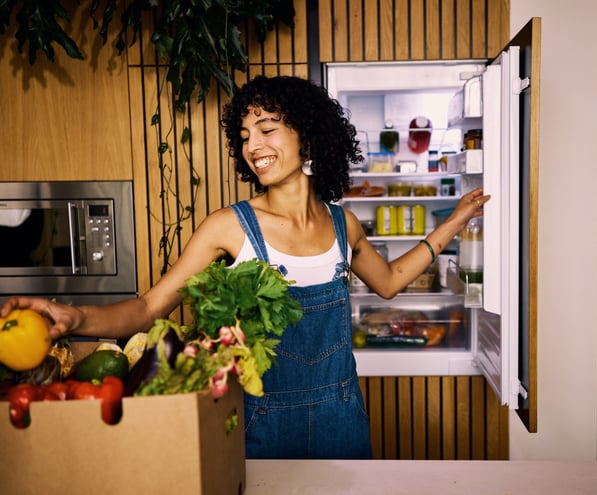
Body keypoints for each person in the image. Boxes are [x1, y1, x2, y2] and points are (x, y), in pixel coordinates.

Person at [0, 75, 489, 459]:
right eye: (245, 135)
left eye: (268, 129)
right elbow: (150, 306)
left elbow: (390, 283)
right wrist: (73, 317)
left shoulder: (345, 226)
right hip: (262, 422)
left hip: (343, 416)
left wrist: (456, 221)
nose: (253, 145)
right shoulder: (229, 227)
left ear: (308, 137)